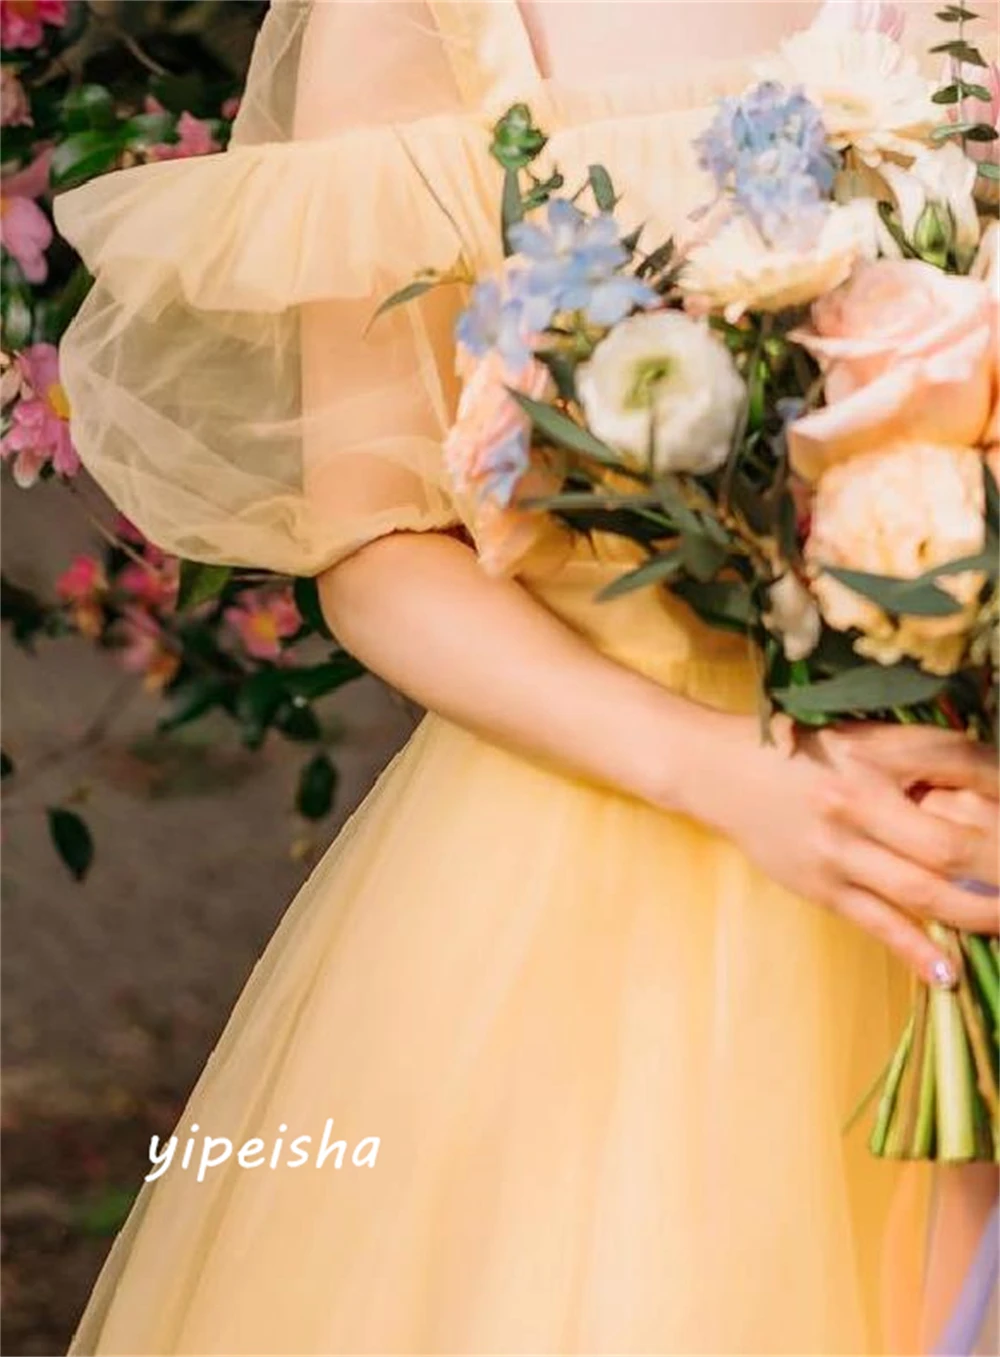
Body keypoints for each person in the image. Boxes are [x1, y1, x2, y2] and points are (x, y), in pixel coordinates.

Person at [53, 2, 999, 1352]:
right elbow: (378, 546)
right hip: (603, 829)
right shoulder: (415, 19)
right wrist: (734, 775)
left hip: (956, 798)